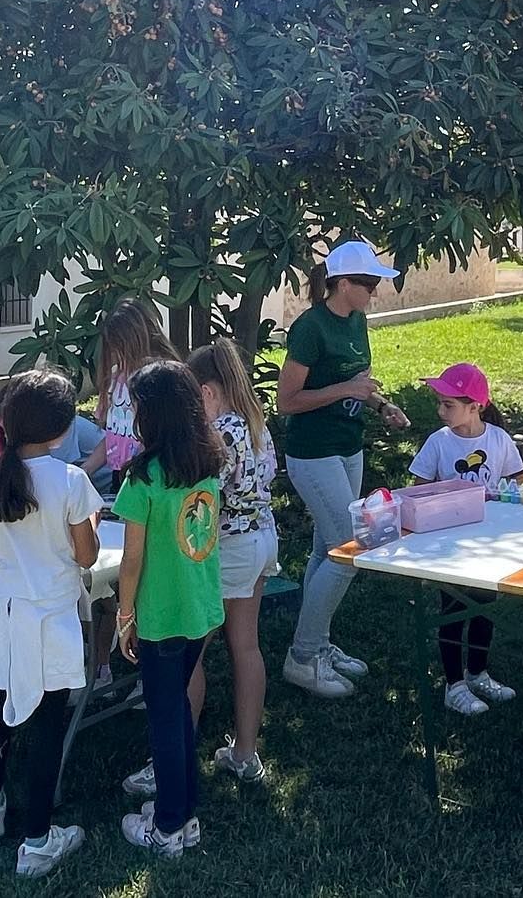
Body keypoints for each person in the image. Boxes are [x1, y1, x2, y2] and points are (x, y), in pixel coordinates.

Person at [0, 369, 101, 879]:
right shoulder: (70, 481)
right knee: (46, 729)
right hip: (55, 620)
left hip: (6, 615)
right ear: (63, 430)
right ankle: (38, 839)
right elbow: (86, 557)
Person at [278, 241, 410, 698]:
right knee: (349, 551)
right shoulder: (310, 328)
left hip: (348, 448)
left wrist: (382, 404)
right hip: (312, 453)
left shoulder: (357, 320)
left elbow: (359, 386)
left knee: (325, 551)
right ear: (342, 284)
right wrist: (344, 389)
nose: (375, 291)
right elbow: (287, 402)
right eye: (368, 284)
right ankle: (302, 656)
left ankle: (319, 645)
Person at [113, 361, 224, 857]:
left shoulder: (143, 477)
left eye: (135, 405)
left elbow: (131, 559)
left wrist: (123, 616)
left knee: (164, 720)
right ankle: (187, 813)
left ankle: (169, 826)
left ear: (150, 413)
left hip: (159, 618)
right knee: (176, 709)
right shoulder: (207, 460)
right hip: (199, 609)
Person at [185, 338, 279, 782]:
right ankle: (245, 752)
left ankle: (175, 753)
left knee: (188, 653)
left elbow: (205, 498)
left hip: (229, 549)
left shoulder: (219, 433)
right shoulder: (255, 423)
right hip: (262, 539)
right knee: (246, 646)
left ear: (206, 392)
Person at [409, 363, 523, 716]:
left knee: (484, 609)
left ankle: (477, 672)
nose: (440, 411)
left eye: (449, 405)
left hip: (488, 545)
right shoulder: (438, 443)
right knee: (452, 613)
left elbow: (513, 485)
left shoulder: (499, 440)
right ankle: (453, 684)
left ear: (476, 406)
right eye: (440, 403)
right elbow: (417, 492)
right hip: (450, 548)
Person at [79, 299, 179, 489]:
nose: (115, 353)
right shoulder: (116, 378)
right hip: (121, 476)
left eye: (119, 346)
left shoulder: (161, 379)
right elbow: (114, 435)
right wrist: (87, 468)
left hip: (150, 477)